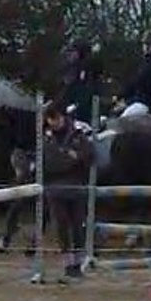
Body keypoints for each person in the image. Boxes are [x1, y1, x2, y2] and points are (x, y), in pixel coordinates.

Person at [42, 102, 94, 281]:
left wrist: (73, 158)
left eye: (56, 118)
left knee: (78, 225)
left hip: (77, 187)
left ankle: (78, 264)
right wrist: (70, 159)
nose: (53, 123)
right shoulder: (46, 137)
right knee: (61, 225)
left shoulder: (78, 133)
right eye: (50, 119)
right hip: (55, 189)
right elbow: (48, 162)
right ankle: (67, 264)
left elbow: (89, 156)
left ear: (63, 116)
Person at [115, 30, 151, 117]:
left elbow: (140, 86)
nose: (144, 47)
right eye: (144, 44)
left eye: (148, 44)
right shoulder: (145, 63)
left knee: (125, 119)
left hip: (144, 103)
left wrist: (126, 101)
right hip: (138, 101)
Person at [59, 39, 100, 131]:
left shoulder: (86, 68)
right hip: (73, 106)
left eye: (73, 51)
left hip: (83, 110)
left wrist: (76, 105)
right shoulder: (72, 68)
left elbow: (88, 90)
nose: (70, 55)